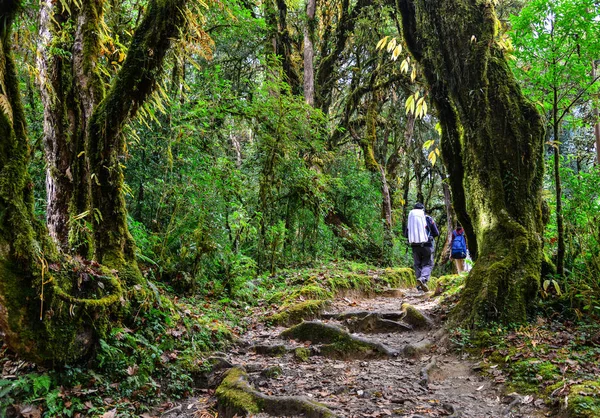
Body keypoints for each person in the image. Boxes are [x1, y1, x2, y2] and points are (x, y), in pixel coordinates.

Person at [406, 202, 438, 291]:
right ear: (423, 210)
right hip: (427, 245)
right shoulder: (428, 218)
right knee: (428, 263)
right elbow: (436, 233)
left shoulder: (410, 220)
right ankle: (423, 279)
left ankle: (419, 286)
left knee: (417, 265)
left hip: (414, 246)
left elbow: (406, 234)